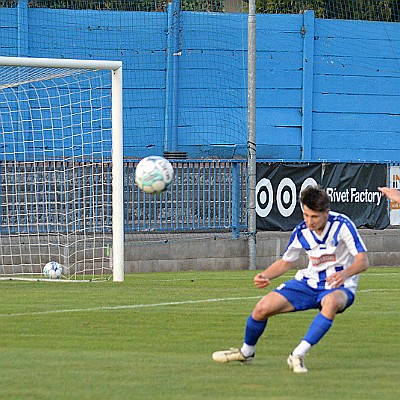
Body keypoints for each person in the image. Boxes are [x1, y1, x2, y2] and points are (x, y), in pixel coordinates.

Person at [212, 186, 369, 373]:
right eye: (306, 215)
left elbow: (363, 260)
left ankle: (298, 355)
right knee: (262, 308)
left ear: (326, 213)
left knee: (331, 302)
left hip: (339, 285)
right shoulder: (302, 230)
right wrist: (265, 275)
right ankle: (246, 353)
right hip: (308, 283)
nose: (309, 221)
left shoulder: (342, 225)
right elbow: (286, 262)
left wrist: (344, 274)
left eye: (314, 217)